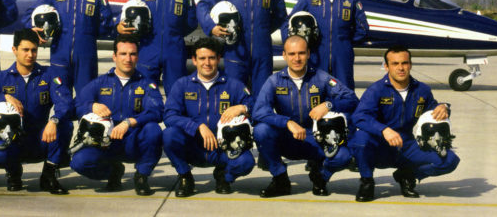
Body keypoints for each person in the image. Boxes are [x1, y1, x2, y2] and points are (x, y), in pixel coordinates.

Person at [350, 45, 460, 202]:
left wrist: (444, 107)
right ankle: (367, 181)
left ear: (410, 64)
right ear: (386, 66)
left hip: (407, 145)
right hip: (380, 146)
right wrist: (384, 130)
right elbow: (359, 116)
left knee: (449, 160)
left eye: (404, 63)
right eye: (395, 64)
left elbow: (432, 108)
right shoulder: (376, 90)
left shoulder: (421, 90)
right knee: (361, 138)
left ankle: (408, 176)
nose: (401, 68)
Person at [253, 35, 359, 197]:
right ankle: (280, 179)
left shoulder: (321, 78)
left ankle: (321, 177)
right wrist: (287, 122)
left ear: (308, 54)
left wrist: (328, 105)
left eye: (301, 53)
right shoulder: (274, 81)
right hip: (288, 138)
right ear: (284, 55)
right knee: (261, 130)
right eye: (292, 54)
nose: (297, 58)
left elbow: (351, 99)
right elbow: (259, 112)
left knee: (343, 156)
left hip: (316, 139)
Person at [0, 29, 74, 194]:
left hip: (40, 139)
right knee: (0, 151)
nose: (30, 55)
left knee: (65, 125)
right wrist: (2, 98)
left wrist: (54, 120)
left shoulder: (49, 75)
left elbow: (66, 103)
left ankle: (48, 175)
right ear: (14, 50)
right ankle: (13, 172)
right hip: (13, 140)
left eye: (34, 50)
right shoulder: (0, 79)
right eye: (25, 50)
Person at [70, 34, 164, 196]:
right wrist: (91, 106)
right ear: (114, 56)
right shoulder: (99, 83)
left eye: (132, 54)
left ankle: (142, 176)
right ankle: (113, 171)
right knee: (79, 162)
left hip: (132, 140)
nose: (128, 59)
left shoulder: (146, 84)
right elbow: (74, 106)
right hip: (104, 142)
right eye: (123, 54)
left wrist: (130, 122)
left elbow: (158, 111)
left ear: (137, 57)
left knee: (153, 130)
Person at [163, 37, 255, 197]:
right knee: (169, 135)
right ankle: (185, 176)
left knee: (246, 162)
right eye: (202, 58)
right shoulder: (182, 85)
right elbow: (169, 115)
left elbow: (256, 108)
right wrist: (197, 126)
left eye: (211, 58)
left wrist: (243, 107)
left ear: (218, 58)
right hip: (193, 146)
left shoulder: (233, 85)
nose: (207, 63)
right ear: (194, 60)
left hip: (223, 148)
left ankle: (224, 176)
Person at [196, 0, 287, 92]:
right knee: (235, 96)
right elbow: (202, 5)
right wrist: (211, 27)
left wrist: (263, 30)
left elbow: (281, 16)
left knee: (263, 97)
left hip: (262, 54)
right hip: (235, 53)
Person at [23, 0, 114, 95]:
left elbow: (108, 24)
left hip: (86, 58)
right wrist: (33, 28)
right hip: (60, 56)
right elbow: (29, 14)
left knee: (86, 99)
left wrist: (89, 34)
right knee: (61, 99)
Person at [117, 0, 197, 94]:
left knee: (176, 96)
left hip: (174, 51)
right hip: (148, 50)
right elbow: (125, 14)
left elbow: (192, 22)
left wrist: (173, 34)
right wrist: (118, 26)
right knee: (144, 94)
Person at [283, 0, 368, 91]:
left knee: (344, 92)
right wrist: (292, 44)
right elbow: (288, 22)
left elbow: (362, 27)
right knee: (315, 92)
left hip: (342, 56)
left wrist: (345, 41)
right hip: (316, 55)